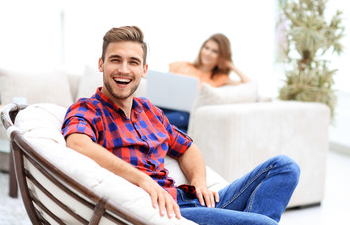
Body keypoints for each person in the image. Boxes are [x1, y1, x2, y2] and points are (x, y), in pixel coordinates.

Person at [62, 26, 300, 225]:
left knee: (285, 166)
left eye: (133, 62)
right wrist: (142, 180)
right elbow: (77, 143)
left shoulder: (150, 111)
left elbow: (187, 148)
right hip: (165, 213)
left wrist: (199, 183)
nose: (124, 69)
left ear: (144, 70)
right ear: (101, 64)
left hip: (191, 199)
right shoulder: (88, 108)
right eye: (116, 60)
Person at [163, 33, 251, 133]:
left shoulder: (218, 78)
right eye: (206, 48)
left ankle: (147, 125)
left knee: (182, 125)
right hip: (164, 108)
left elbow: (249, 85)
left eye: (214, 51)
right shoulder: (181, 65)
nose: (208, 53)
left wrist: (231, 65)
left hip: (184, 115)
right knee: (180, 133)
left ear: (221, 57)